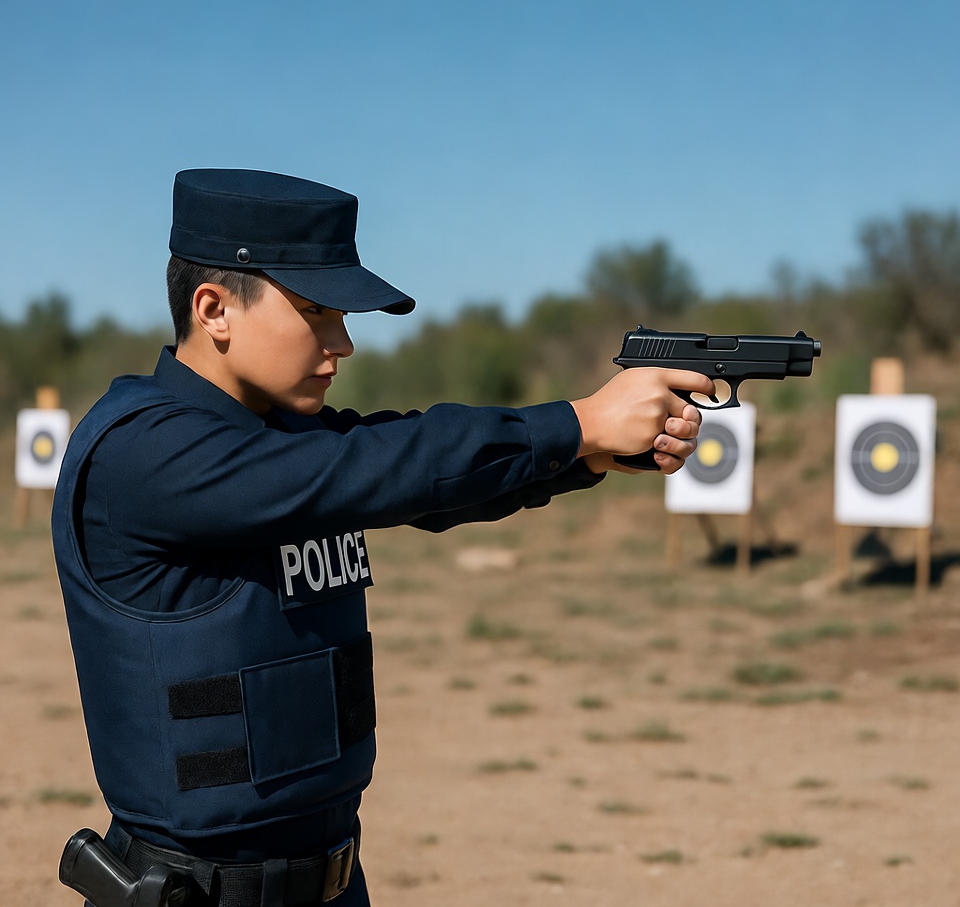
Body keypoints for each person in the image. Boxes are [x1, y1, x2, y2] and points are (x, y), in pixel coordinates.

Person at [52, 168, 711, 907]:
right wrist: (579, 421)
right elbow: (375, 467)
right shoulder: (143, 452)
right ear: (214, 309)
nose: (343, 343)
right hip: (197, 892)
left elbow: (411, 474)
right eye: (317, 312)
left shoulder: (286, 444)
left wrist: (585, 454)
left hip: (332, 880)